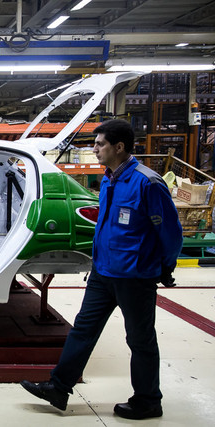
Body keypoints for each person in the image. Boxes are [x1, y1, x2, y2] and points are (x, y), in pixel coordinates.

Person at [20, 119, 183, 420]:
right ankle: (59, 387)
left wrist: (166, 266)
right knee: (83, 329)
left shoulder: (147, 183)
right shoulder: (109, 179)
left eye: (99, 144)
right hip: (103, 271)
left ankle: (148, 400)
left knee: (139, 339)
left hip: (135, 276)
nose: (93, 149)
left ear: (119, 147)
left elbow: (171, 233)